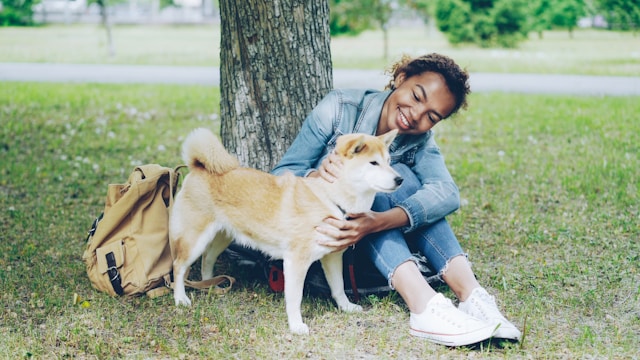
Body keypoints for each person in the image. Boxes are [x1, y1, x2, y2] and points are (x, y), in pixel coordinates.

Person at [271, 53, 521, 347]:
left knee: (402, 178)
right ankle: (423, 305)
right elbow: (280, 175)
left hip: (373, 239)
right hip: (327, 246)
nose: (416, 115)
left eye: (431, 116)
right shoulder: (338, 109)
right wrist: (316, 174)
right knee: (371, 181)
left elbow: (447, 192)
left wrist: (379, 222)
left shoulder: (418, 140)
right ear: (401, 78)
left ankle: (472, 296)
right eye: (416, 96)